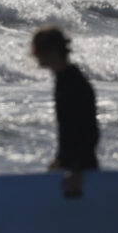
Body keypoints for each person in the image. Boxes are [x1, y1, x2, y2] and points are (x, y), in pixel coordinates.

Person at [32, 26, 99, 197]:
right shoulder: (64, 80)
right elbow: (68, 130)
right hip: (70, 168)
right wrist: (60, 160)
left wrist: (77, 170)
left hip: (80, 172)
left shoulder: (73, 84)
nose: (33, 54)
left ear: (52, 51)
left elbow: (89, 131)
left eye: (37, 49)